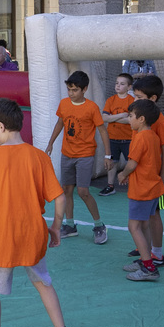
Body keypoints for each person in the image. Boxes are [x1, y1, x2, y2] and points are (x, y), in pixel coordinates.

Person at [0, 98, 78, 327]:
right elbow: (60, 198)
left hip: (0, 235)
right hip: (33, 233)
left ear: (0, 126)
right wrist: (55, 226)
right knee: (43, 282)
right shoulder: (39, 156)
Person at [45, 70, 110, 244]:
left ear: (84, 89)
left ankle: (99, 225)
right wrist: (51, 143)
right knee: (66, 191)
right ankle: (70, 226)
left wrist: (108, 155)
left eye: (74, 90)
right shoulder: (64, 104)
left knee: (83, 191)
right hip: (67, 154)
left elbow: (102, 130)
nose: (71, 93)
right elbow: (60, 124)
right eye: (69, 89)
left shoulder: (92, 107)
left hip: (85, 155)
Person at [117, 99, 164, 282]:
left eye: (130, 116)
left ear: (141, 119)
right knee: (144, 225)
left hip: (142, 190)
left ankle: (148, 267)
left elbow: (132, 163)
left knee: (133, 226)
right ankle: (147, 258)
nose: (128, 119)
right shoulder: (153, 136)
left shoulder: (139, 138)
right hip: (153, 188)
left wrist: (123, 174)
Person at [129, 75, 164, 266]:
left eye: (139, 97)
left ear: (152, 98)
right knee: (146, 216)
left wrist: (162, 179)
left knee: (155, 214)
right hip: (146, 179)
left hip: (156, 180)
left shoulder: (159, 122)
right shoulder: (140, 117)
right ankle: (145, 248)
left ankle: (157, 254)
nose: (135, 100)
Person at [99, 73, 135, 196]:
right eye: (117, 83)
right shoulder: (111, 100)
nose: (118, 86)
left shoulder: (132, 101)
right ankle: (110, 186)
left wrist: (112, 118)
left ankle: (134, 186)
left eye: (122, 84)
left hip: (128, 139)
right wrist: (120, 115)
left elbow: (131, 120)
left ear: (129, 87)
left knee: (132, 162)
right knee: (112, 162)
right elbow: (104, 118)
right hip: (112, 138)